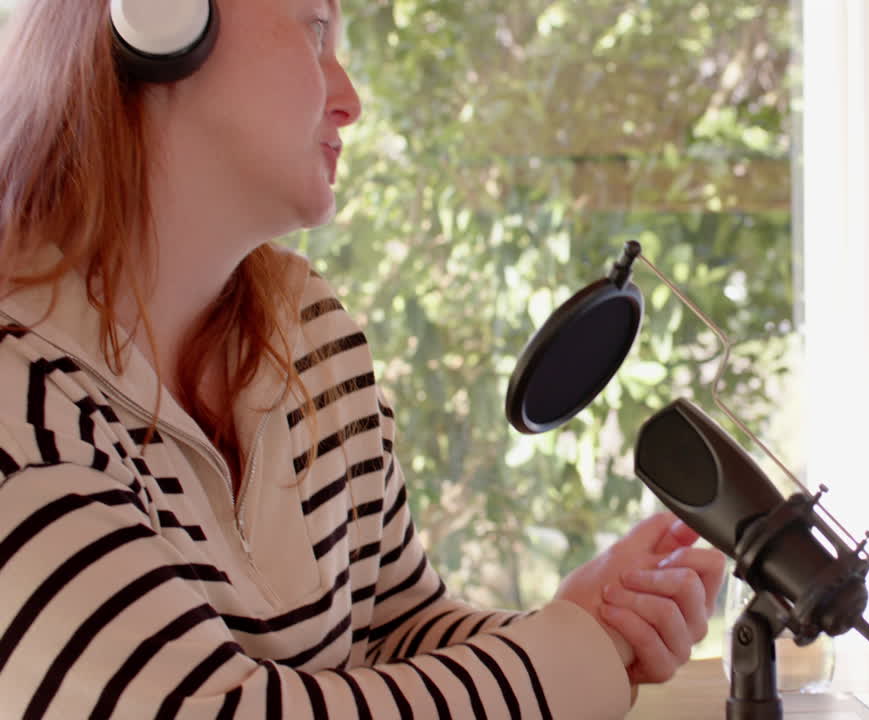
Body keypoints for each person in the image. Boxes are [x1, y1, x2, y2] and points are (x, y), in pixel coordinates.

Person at [0, 1, 724, 718]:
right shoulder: (19, 413)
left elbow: (389, 635)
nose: (349, 103)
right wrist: (572, 659)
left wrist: (587, 620)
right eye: (315, 31)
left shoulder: (306, 335)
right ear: (163, 17)